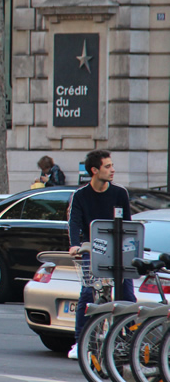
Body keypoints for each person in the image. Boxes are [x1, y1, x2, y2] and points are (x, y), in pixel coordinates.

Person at [66, 149, 134, 359]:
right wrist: (75, 245)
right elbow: (74, 222)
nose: (113, 170)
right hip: (92, 250)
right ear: (94, 171)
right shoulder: (80, 195)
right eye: (107, 166)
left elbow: (128, 225)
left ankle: (130, 342)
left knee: (128, 296)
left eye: (112, 165)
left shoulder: (120, 193)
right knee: (87, 294)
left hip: (119, 251)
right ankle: (80, 343)